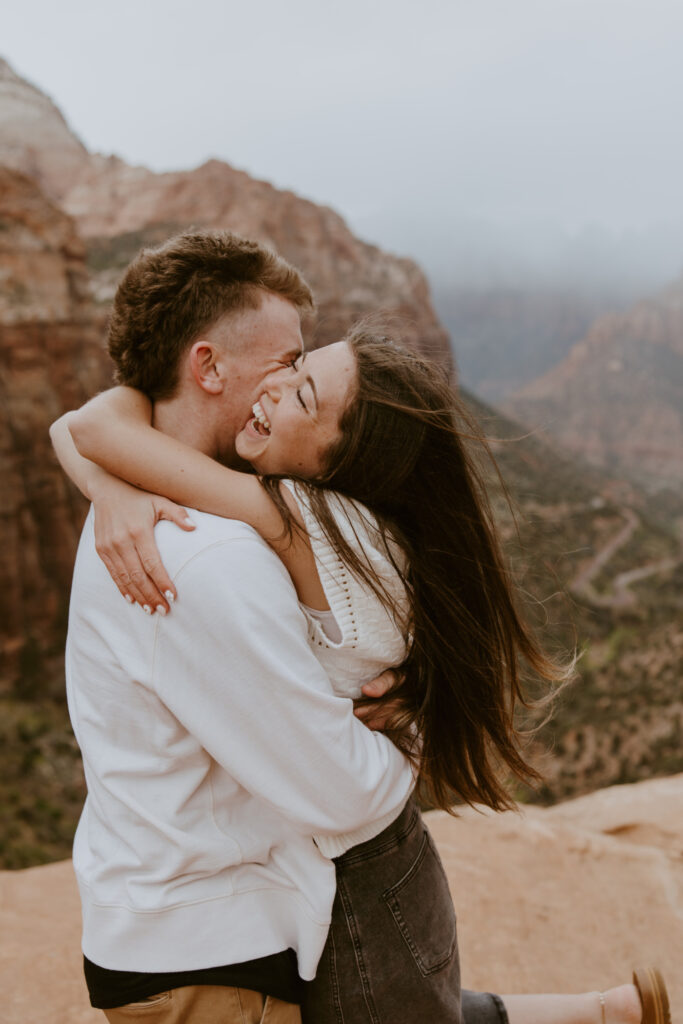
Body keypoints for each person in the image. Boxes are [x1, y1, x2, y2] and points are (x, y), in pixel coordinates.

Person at [51, 231, 670, 1024]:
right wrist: (401, 739)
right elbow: (346, 797)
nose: (281, 385)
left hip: (192, 921)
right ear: (207, 366)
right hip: (207, 951)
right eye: (285, 363)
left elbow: (92, 427)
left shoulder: (209, 512)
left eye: (300, 378)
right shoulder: (205, 556)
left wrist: (102, 476)